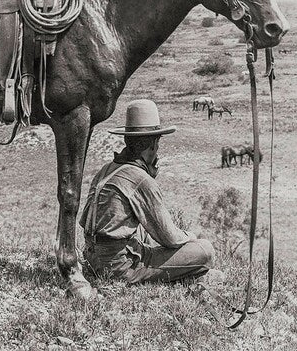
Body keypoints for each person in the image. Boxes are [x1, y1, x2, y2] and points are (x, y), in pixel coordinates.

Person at [80, 99, 216, 283]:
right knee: (205, 250)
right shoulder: (140, 179)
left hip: (92, 258)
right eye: (157, 144)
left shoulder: (106, 169)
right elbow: (169, 238)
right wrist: (191, 237)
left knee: (144, 232)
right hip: (120, 267)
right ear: (153, 144)